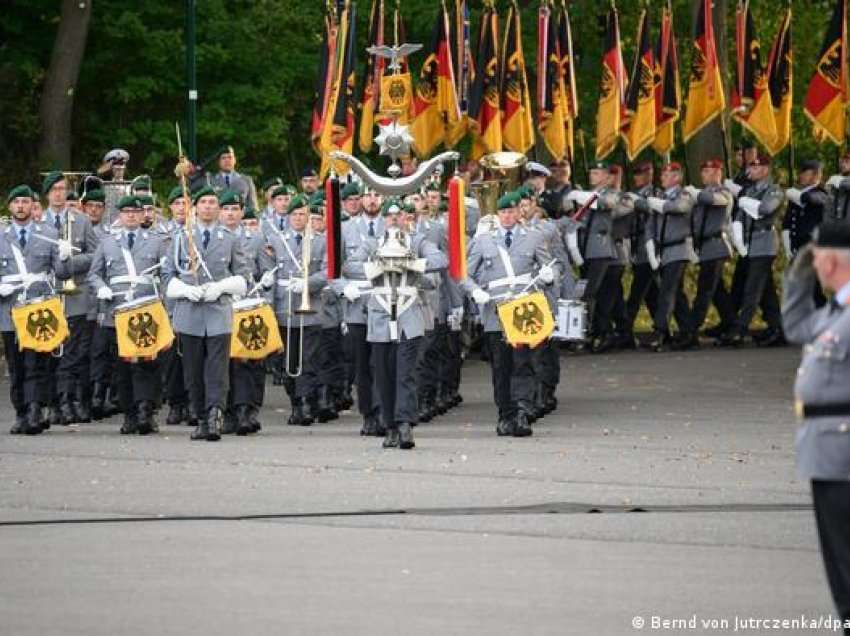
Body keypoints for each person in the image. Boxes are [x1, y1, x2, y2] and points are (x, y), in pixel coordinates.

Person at [781, 223, 850, 633]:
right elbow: (795, 326)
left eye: (816, 257)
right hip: (824, 451)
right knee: (839, 564)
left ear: (830, 260)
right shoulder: (833, 312)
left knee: (846, 559)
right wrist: (798, 274)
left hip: (843, 449)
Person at [343, 199, 448, 449]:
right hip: (379, 313)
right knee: (383, 374)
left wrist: (410, 263)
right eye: (388, 215)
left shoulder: (417, 241)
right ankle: (389, 424)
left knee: (406, 372)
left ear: (406, 218)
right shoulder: (372, 243)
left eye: (398, 215)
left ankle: (404, 424)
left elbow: (441, 260)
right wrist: (378, 266)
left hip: (408, 312)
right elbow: (350, 265)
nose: (393, 220)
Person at [163, 185, 251, 442]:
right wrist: (183, 290)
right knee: (192, 370)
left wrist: (221, 287)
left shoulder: (230, 238)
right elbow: (167, 275)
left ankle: (215, 415)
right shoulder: (180, 237)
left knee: (217, 369)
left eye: (214, 203)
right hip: (189, 312)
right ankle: (201, 416)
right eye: (204, 203)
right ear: (195, 207)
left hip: (218, 311)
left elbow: (244, 276)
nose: (209, 207)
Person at [463, 191, 554, 437]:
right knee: (501, 367)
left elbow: (549, 268)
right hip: (496, 310)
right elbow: (465, 274)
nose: (507, 216)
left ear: (518, 213)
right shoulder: (484, 241)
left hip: (523, 310)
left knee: (523, 363)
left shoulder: (533, 238)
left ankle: (523, 412)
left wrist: (549, 276)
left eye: (511, 211)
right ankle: (506, 414)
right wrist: (475, 293)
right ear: (498, 214)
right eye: (503, 212)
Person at [88, 195, 169, 435]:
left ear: (143, 215)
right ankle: (130, 412)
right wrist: (101, 287)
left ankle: (146, 410)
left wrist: (163, 301)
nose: (132, 215)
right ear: (120, 216)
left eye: (136, 211)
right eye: (127, 212)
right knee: (121, 365)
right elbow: (94, 273)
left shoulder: (156, 241)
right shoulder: (108, 242)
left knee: (147, 363)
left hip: (147, 309)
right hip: (118, 309)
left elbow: (166, 274)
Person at [258, 194, 328, 426]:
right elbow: (269, 272)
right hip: (284, 306)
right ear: (288, 217)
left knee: (309, 359)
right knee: (287, 361)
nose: (299, 218)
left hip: (311, 307)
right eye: (295, 215)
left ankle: (306, 402)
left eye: (303, 215)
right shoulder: (276, 240)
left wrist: (309, 284)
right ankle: (295, 402)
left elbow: (327, 272)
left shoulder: (319, 241)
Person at [0, 185, 61, 434]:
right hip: (10, 309)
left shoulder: (47, 233)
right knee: (16, 365)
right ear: (10, 206)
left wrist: (65, 257)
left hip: (38, 310)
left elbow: (61, 272)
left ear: (32, 205)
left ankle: (36, 409)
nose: (21, 206)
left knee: (37, 362)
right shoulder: (2, 236)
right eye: (17, 202)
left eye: (26, 202)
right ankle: (21, 412)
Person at [42, 171, 100, 426]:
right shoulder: (38, 222)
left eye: (62, 188)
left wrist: (71, 261)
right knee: (49, 352)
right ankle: (53, 402)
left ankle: (68, 400)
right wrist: (54, 264)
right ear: (46, 193)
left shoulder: (81, 221)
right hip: (47, 296)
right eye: (54, 189)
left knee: (73, 352)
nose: (58, 193)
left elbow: (96, 255)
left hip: (76, 295)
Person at [720, 154, 785, 347]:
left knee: (752, 288)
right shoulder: (750, 191)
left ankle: (739, 329)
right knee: (766, 291)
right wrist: (738, 240)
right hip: (750, 244)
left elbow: (765, 209)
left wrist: (744, 200)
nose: (751, 171)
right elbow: (739, 217)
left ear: (765, 170)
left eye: (756, 168)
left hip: (765, 243)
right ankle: (777, 328)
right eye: (751, 167)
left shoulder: (773, 190)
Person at [218, 190, 266, 435]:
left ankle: (246, 410)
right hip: (221, 304)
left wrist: (263, 302)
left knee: (248, 362)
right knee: (225, 360)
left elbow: (266, 274)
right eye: (226, 209)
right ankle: (227, 412)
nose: (231, 213)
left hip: (248, 305)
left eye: (235, 209)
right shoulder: (214, 237)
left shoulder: (256, 239)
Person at [644, 163, 695, 351]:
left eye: (667, 174)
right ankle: (688, 332)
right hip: (663, 251)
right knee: (676, 293)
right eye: (663, 174)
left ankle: (660, 331)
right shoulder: (660, 197)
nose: (662, 177)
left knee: (667, 291)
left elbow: (679, 208)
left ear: (677, 177)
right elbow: (650, 225)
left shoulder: (684, 195)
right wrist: (651, 250)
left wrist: (658, 204)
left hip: (679, 249)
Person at [685, 159, 736, 345]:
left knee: (704, 290)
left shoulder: (724, 192)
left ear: (718, 173)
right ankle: (731, 324)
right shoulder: (701, 194)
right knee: (717, 292)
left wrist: (696, 193)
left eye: (709, 171)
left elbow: (716, 201)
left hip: (717, 245)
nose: (705, 175)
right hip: (705, 247)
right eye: (704, 171)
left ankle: (690, 330)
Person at [208, 146, 258, 215]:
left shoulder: (246, 180)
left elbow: (253, 207)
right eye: (223, 158)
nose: (227, 160)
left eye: (230, 157)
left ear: (235, 160)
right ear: (219, 162)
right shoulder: (210, 180)